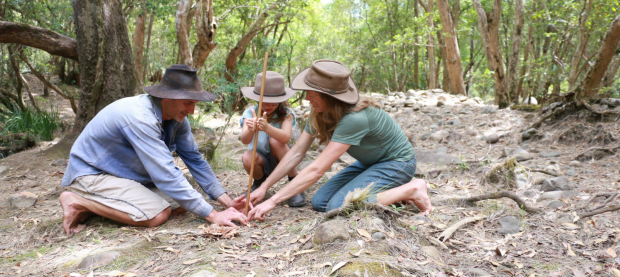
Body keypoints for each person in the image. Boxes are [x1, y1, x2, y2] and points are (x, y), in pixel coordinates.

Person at [59, 65, 248, 235]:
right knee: (158, 215)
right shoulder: (140, 117)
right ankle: (77, 201)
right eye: (188, 103)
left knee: (183, 205)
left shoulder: (177, 119)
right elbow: (164, 173)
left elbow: (195, 159)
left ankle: (104, 204)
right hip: (92, 174)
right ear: (168, 97)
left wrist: (228, 202)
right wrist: (214, 216)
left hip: (123, 175)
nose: (192, 110)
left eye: (194, 103)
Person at [246, 60, 432, 220]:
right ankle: (391, 194)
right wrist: (264, 187)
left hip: (398, 163)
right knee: (321, 202)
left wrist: (272, 201)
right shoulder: (318, 110)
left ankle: (413, 189)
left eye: (311, 92)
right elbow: (296, 152)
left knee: (337, 205)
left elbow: (318, 169)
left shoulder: (354, 118)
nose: (307, 97)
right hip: (369, 164)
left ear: (329, 96)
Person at [239, 71, 305, 207]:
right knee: (247, 157)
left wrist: (267, 127)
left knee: (275, 141)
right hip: (261, 158)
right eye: (264, 103)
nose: (268, 107)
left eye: (273, 104)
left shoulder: (286, 113)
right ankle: (259, 183)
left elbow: (285, 137)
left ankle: (294, 182)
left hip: (282, 157)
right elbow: (245, 140)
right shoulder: (250, 113)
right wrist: (251, 129)